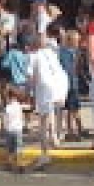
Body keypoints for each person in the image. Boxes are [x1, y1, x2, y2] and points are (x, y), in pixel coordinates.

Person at [27, 33, 68, 169]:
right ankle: (55, 138)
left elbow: (30, 77)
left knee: (42, 122)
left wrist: (30, 93)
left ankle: (44, 155)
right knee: (52, 111)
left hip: (46, 87)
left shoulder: (33, 56)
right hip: (61, 84)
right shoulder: (50, 52)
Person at [58, 29, 83, 140]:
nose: (78, 43)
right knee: (71, 108)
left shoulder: (75, 51)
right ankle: (70, 131)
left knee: (75, 107)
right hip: (68, 83)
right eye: (76, 41)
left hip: (74, 82)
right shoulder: (64, 52)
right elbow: (67, 69)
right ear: (70, 41)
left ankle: (80, 128)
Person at [2, 86, 25, 173]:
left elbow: (5, 119)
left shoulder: (7, 108)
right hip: (18, 130)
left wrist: (4, 127)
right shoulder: (19, 106)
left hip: (10, 130)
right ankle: (20, 164)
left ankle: (9, 163)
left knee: (9, 149)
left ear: (9, 97)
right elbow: (21, 117)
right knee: (19, 148)